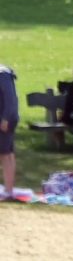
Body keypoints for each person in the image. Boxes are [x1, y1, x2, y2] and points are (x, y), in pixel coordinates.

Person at [0, 62, 14, 196]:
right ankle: (8, 188)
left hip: (6, 118)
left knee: (4, 154)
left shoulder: (2, 74)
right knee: (8, 153)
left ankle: (8, 190)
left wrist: (5, 118)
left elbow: (10, 99)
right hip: (6, 117)